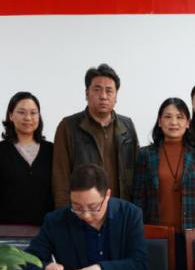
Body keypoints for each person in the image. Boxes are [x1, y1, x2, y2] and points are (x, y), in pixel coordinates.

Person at [24, 163, 148, 270]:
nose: (85, 215)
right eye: (77, 206)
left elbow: (140, 264)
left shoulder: (130, 215)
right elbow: (24, 262)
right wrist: (44, 269)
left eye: (93, 207)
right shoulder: (55, 221)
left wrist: (101, 268)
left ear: (107, 195)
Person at [133, 98, 195, 270]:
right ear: (159, 122)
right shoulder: (146, 155)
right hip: (156, 235)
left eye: (180, 117)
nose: (174, 122)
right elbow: (138, 199)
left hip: (190, 235)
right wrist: (139, 233)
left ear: (188, 123)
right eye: (168, 117)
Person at [51, 63, 138, 208]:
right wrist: (65, 213)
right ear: (87, 93)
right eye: (97, 90)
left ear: (116, 96)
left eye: (109, 91)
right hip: (84, 210)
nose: (103, 96)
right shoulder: (68, 126)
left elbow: (137, 173)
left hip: (120, 210)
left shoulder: (127, 126)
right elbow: (60, 177)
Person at [0, 92, 54, 226]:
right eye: (21, 112)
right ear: (10, 115)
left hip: (46, 230)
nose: (28, 118)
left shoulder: (52, 150)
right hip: (9, 231)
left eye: (33, 113)